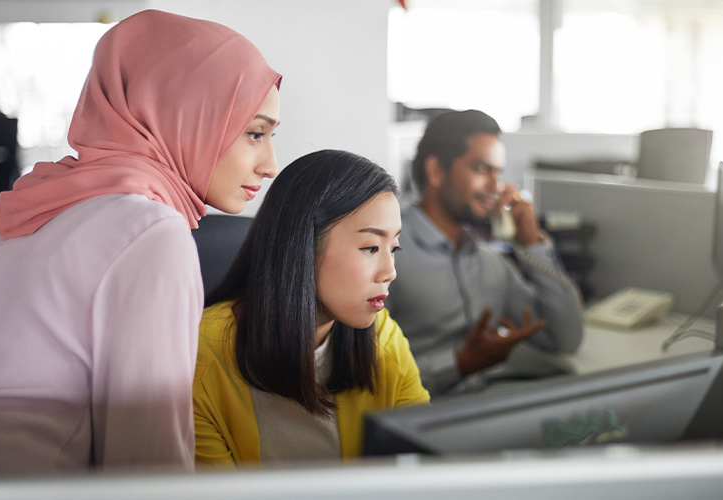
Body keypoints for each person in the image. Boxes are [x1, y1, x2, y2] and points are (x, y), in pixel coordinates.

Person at [0, 10, 281, 475]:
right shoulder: (150, 231)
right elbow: (149, 467)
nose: (270, 165)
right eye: (255, 134)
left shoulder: (45, 200)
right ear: (186, 117)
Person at [193, 150, 429, 467]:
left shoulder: (384, 338)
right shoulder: (200, 354)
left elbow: (421, 469)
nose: (390, 271)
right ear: (303, 245)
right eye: (371, 248)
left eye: (394, 248)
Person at [386, 109, 584, 396]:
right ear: (437, 171)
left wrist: (531, 243)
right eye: (481, 169)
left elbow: (563, 338)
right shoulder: (387, 256)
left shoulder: (489, 263)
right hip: (413, 423)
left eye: (498, 173)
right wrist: (460, 364)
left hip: (482, 411)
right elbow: (365, 378)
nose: (497, 187)